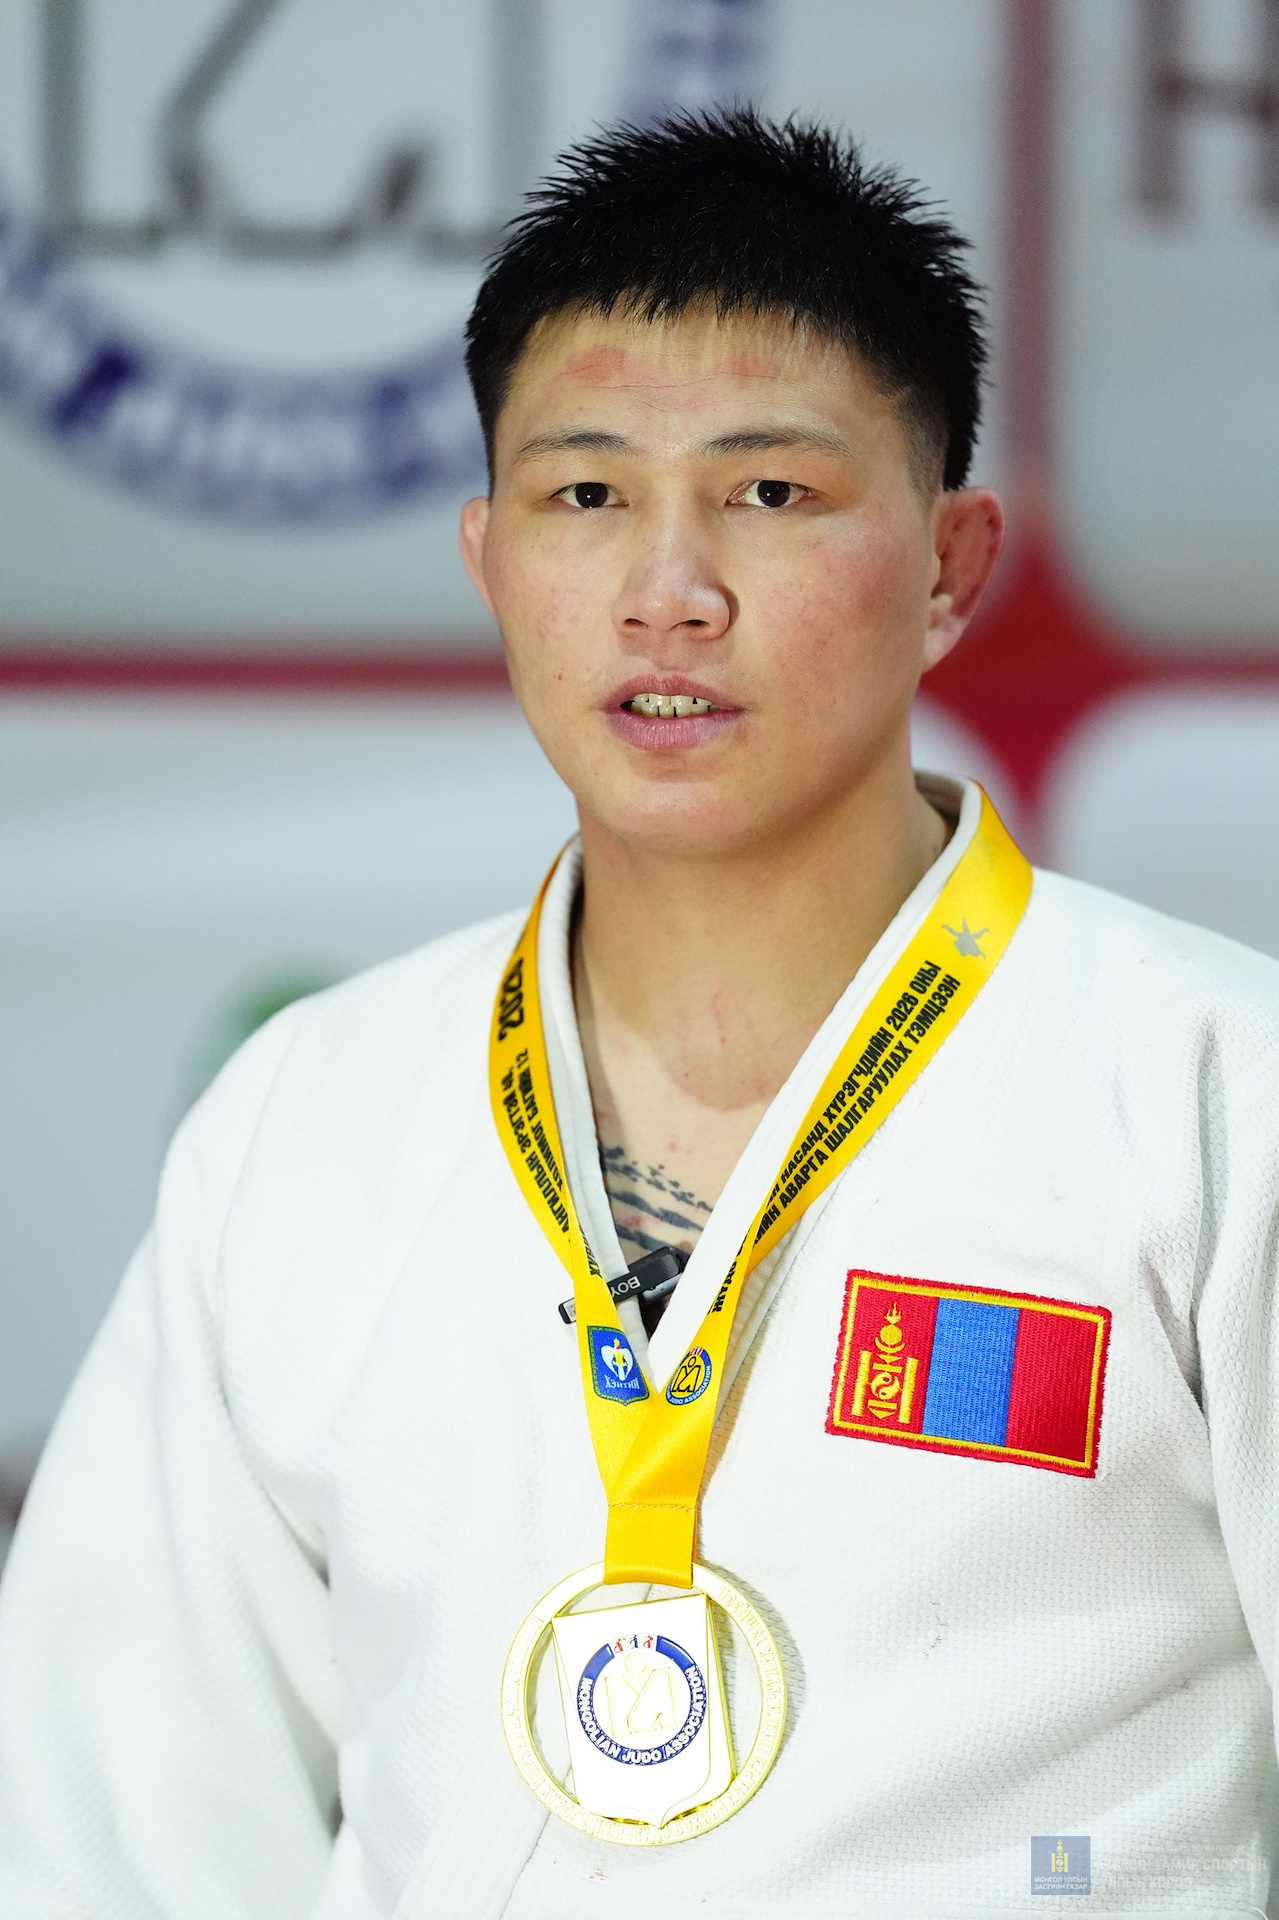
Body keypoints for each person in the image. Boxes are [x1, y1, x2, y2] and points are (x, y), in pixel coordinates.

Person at [2, 108, 1278, 1920]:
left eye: (772, 494)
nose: (669, 595)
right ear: (488, 557)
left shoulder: (1217, 1090)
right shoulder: (308, 1122)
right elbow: (117, 1832)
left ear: (950, 565)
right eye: (587, 497)